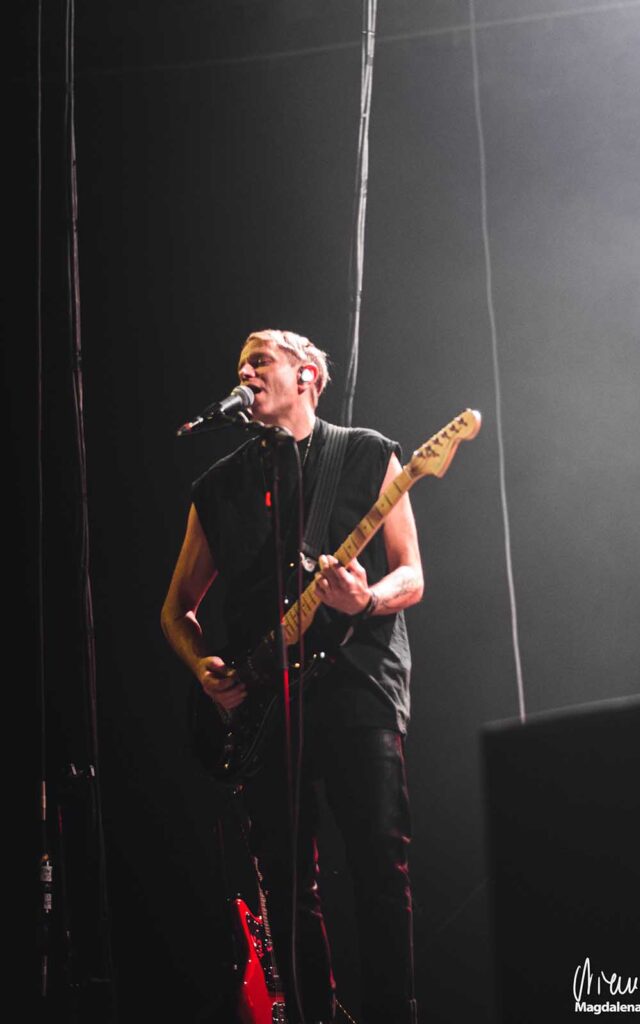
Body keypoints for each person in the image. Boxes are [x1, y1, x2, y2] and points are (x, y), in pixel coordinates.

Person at [161, 329, 423, 1024]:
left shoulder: (368, 452)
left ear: (307, 375)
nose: (246, 372)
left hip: (358, 686)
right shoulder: (218, 486)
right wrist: (203, 665)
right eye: (240, 365)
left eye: (260, 360)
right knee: (284, 882)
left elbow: (412, 573)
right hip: (266, 700)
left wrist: (365, 599)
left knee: (379, 864)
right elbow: (176, 609)